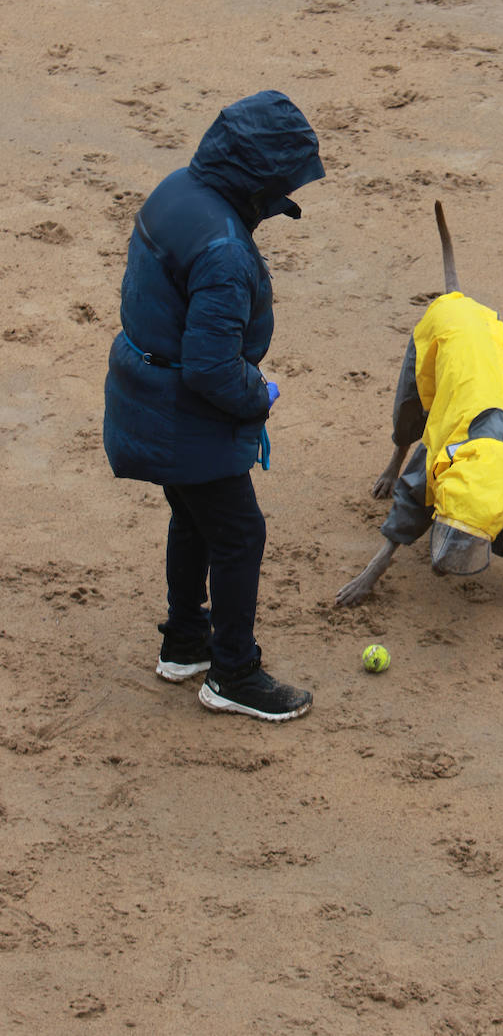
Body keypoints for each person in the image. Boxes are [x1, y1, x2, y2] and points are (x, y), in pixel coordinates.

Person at [103, 90, 324, 722]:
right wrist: (259, 397)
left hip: (143, 390)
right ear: (256, 176)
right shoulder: (226, 251)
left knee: (193, 516)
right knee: (238, 533)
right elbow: (209, 368)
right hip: (184, 412)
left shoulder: (178, 188)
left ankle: (184, 640)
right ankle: (233, 672)